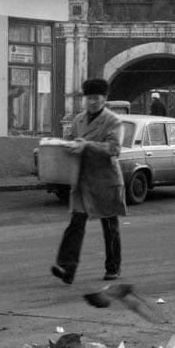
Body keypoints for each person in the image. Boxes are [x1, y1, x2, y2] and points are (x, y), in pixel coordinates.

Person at [51, 77, 127, 285]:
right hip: (82, 181)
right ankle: (67, 268)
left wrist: (87, 145)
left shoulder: (113, 121)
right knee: (76, 223)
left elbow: (114, 149)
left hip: (105, 180)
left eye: (97, 98)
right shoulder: (78, 120)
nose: (92, 102)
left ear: (105, 98)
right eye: (89, 98)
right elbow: (73, 142)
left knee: (110, 225)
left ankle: (113, 267)